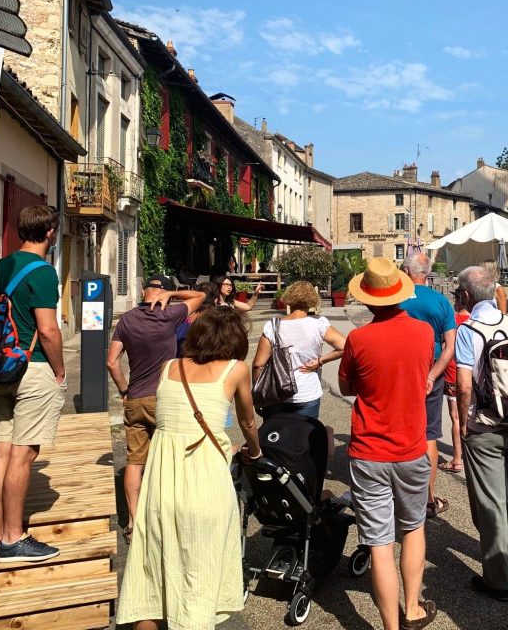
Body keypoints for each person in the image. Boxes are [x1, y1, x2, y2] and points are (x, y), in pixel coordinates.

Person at [116, 307, 262, 630]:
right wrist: (254, 450)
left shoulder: (170, 367)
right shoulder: (236, 370)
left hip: (161, 485)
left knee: (151, 587)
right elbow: (248, 421)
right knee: (197, 582)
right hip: (205, 484)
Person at [338, 257, 437, 630]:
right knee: (412, 529)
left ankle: (391, 626)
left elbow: (348, 386)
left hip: (368, 450)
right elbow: (421, 373)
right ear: (400, 292)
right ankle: (412, 608)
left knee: (379, 543)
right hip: (411, 445)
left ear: (367, 300)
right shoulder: (423, 333)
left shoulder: (358, 339)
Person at [455, 265, 508, 602]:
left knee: (491, 502)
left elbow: (464, 385)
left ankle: (498, 579)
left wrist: (463, 424)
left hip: (485, 424)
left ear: (465, 296)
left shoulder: (469, 330)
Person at [0, 205, 66, 563]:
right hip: (31, 368)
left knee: (0, 450)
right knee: (23, 453)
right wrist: (60, 371)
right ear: (50, 232)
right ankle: (14, 538)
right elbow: (48, 330)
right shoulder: (44, 273)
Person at [107, 276, 206, 541]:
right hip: (164, 398)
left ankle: (132, 523)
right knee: (172, 456)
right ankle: (170, 516)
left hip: (135, 399)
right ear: (163, 293)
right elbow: (200, 297)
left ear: (142, 291)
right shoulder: (169, 313)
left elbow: (112, 362)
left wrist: (124, 391)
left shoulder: (126, 319)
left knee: (134, 462)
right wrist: (173, 294)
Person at [400, 251, 456, 519]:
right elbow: (450, 347)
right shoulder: (441, 301)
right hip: (430, 372)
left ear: (406, 270)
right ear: (427, 272)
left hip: (399, 373)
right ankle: (428, 498)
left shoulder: (395, 298)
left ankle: (397, 494)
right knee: (429, 435)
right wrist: (433, 375)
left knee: (400, 431)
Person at [251, 280, 346, 420]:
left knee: (275, 438)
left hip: (277, 393)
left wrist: (258, 392)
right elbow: (345, 346)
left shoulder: (272, 326)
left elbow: (258, 364)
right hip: (308, 393)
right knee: (304, 437)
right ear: (312, 300)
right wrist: (320, 361)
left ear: (288, 299)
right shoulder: (319, 325)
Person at [438, 287, 470, 475]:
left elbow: (445, 345)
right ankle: (472, 455)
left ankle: (457, 459)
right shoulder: (476, 319)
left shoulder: (453, 320)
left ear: (459, 300)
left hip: (453, 372)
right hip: (473, 374)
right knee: (472, 415)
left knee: (456, 417)